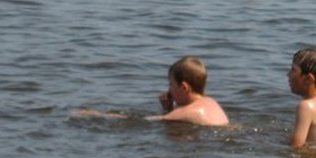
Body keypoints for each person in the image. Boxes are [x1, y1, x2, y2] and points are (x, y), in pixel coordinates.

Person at [73, 56, 229, 126]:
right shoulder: (209, 102)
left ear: (184, 87)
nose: (169, 90)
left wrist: (97, 116)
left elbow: (142, 121)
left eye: (170, 84)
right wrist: (168, 108)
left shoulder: (187, 113)